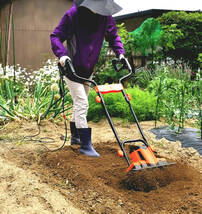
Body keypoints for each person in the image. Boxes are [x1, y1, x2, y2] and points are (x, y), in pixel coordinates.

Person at [50, 0, 125, 157]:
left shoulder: (105, 16)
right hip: (71, 67)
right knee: (82, 103)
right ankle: (85, 145)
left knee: (80, 103)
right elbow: (56, 36)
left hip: (88, 68)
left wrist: (120, 53)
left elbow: (113, 36)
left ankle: (76, 137)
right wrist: (62, 55)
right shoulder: (73, 15)